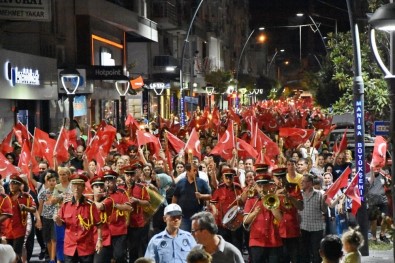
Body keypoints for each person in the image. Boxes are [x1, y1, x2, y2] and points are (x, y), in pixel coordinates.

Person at [54, 173, 103, 263]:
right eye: (74, 185)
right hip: (70, 246)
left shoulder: (90, 205)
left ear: (84, 188)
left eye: (79, 186)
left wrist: (99, 240)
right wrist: (57, 220)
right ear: (71, 187)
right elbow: (61, 224)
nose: (76, 188)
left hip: (86, 246)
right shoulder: (65, 204)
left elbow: (99, 224)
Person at [243, 166, 283, 263]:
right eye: (260, 185)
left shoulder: (275, 199)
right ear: (256, 186)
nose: (262, 188)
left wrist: (270, 204)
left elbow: (280, 218)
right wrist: (254, 213)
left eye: (265, 185)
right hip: (257, 241)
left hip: (274, 241)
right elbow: (245, 221)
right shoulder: (251, 200)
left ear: (269, 186)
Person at [209, 168, 243, 252]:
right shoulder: (219, 189)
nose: (228, 180)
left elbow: (243, 203)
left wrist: (241, 199)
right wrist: (214, 209)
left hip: (236, 222)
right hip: (222, 222)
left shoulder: (238, 188)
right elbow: (212, 202)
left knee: (237, 244)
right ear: (223, 178)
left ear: (233, 177)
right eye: (226, 178)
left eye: (230, 177)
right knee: (224, 245)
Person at [5, 174, 37, 260]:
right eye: (11, 183)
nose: (11, 185)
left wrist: (25, 208)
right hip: (7, 230)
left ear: (19, 186)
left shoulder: (27, 197)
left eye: (14, 183)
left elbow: (34, 209)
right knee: (7, 255)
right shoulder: (5, 197)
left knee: (16, 254)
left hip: (19, 230)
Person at [172, 163, 211, 232]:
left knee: (197, 236)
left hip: (198, 216)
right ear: (187, 171)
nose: (195, 172)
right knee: (184, 236)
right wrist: (174, 210)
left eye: (196, 170)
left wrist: (201, 196)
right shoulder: (181, 182)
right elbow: (175, 197)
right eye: (194, 170)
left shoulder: (202, 182)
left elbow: (209, 196)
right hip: (184, 216)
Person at [299, 173, 327, 263]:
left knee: (316, 253)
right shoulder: (299, 194)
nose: (301, 183)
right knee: (304, 252)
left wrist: (324, 202)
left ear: (310, 183)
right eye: (301, 181)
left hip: (316, 229)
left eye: (304, 181)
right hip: (303, 228)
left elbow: (324, 210)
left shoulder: (320, 194)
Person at [37, 170, 59, 263]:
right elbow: (40, 208)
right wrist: (38, 220)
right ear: (47, 181)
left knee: (54, 239)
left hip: (55, 219)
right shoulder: (43, 193)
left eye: (54, 180)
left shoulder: (59, 192)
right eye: (50, 181)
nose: (52, 182)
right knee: (48, 240)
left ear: (56, 181)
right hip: (45, 219)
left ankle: (54, 258)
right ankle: (51, 258)